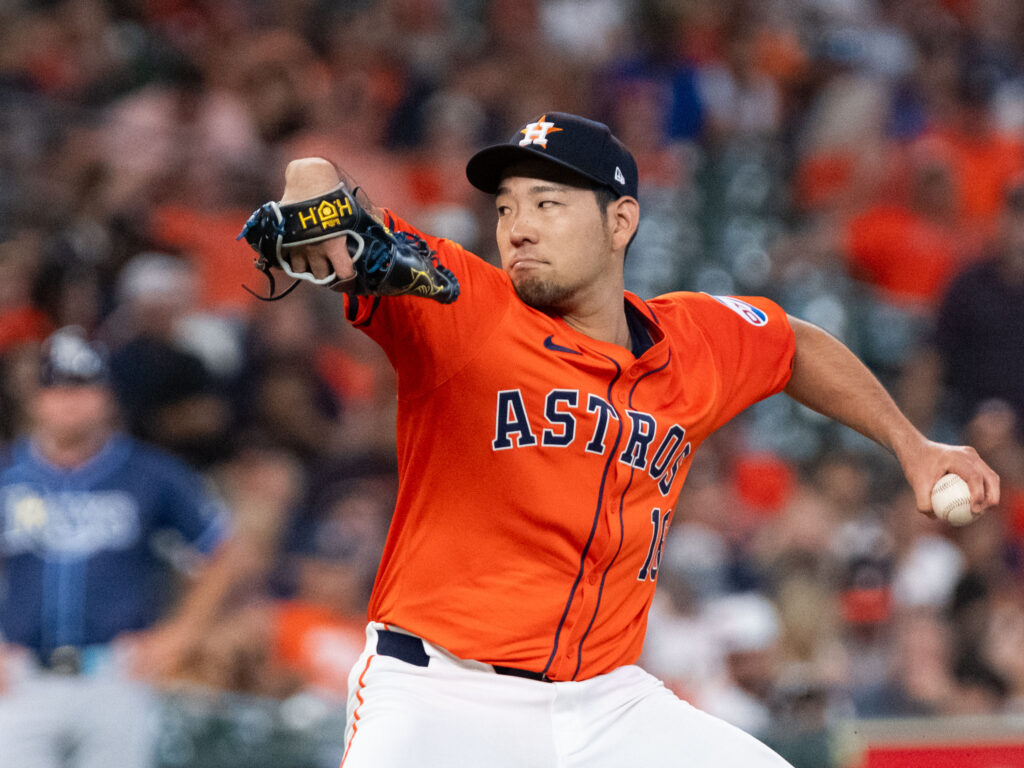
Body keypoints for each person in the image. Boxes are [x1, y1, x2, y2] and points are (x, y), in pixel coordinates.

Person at [248, 112, 1000, 767]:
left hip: (607, 706)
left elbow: (793, 344)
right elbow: (324, 191)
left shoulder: (692, 338)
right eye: (507, 206)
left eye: (548, 202)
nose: (519, 225)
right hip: (443, 694)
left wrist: (912, 445)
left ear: (621, 222)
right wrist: (319, 203)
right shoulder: (462, 306)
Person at [0, 326, 250, 768]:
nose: (70, 400)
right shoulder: (9, 476)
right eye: (57, 388)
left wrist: (180, 635)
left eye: (83, 387)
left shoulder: (150, 474)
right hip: (22, 679)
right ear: (37, 399)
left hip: (115, 674)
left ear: (107, 396)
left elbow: (222, 551)